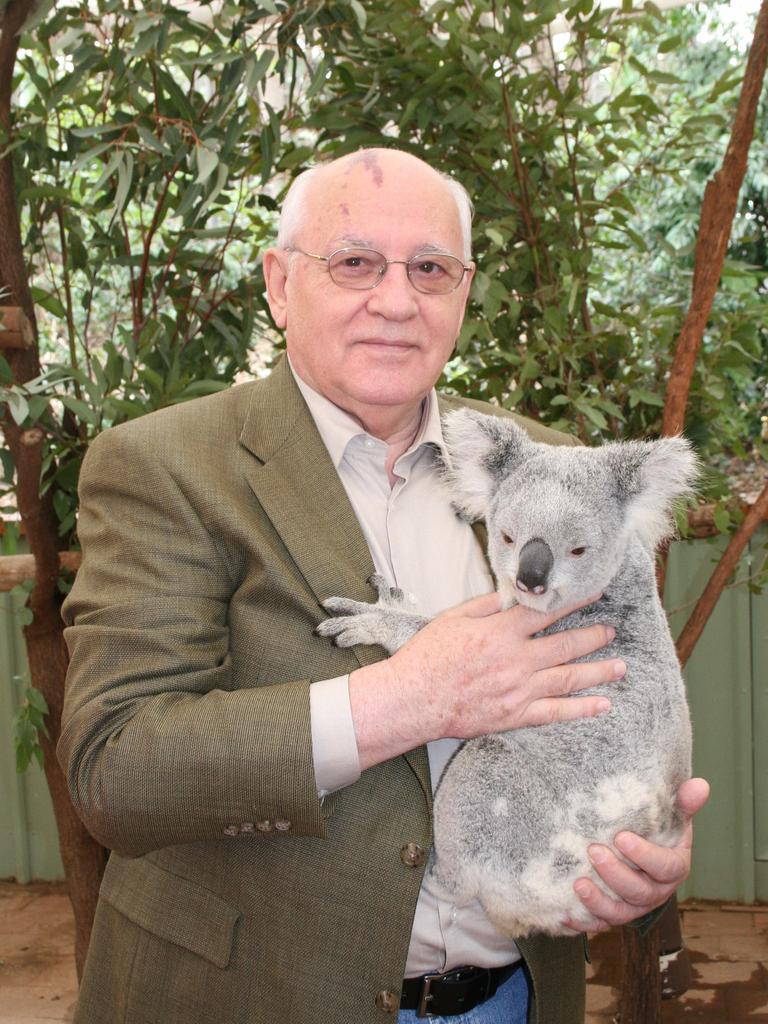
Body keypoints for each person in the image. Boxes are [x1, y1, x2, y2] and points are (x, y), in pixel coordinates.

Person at [58, 147, 709, 1024]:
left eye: (430, 269)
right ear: (281, 283)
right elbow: (116, 768)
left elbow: (627, 702)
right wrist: (404, 698)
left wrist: (645, 853)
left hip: (511, 997)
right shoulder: (164, 466)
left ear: (463, 292)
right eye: (355, 261)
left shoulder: (549, 469)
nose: (396, 300)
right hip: (255, 999)